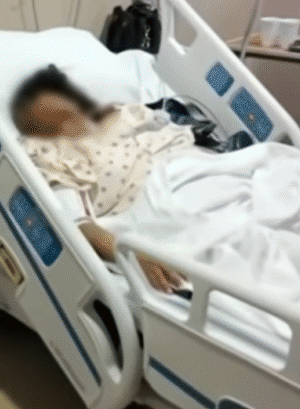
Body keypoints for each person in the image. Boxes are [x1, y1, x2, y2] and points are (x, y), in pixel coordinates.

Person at [11, 64, 195, 293]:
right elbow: (79, 224)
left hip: (194, 168)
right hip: (157, 203)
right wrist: (132, 255)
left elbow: (174, 126)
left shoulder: (117, 114)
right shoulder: (48, 148)